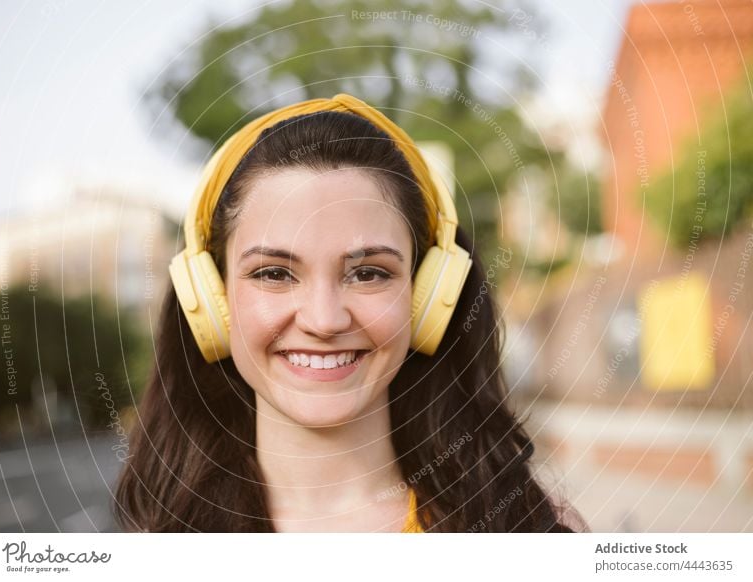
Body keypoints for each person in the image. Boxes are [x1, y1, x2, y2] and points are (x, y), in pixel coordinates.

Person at [113, 94, 582, 532]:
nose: (324, 320)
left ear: (428, 295)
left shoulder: (531, 530)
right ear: (212, 296)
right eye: (274, 273)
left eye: (369, 274)